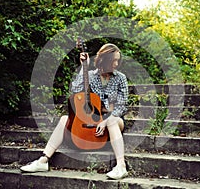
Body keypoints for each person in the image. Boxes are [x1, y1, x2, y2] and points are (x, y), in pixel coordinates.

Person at [20, 43, 129, 180]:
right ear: (104, 59)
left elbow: (122, 106)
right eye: (113, 60)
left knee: (112, 122)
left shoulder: (120, 78)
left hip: (113, 120)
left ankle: (121, 166)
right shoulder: (90, 75)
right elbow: (75, 92)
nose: (116, 64)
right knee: (64, 119)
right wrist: (83, 67)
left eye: (118, 60)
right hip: (93, 120)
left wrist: (106, 121)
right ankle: (43, 160)